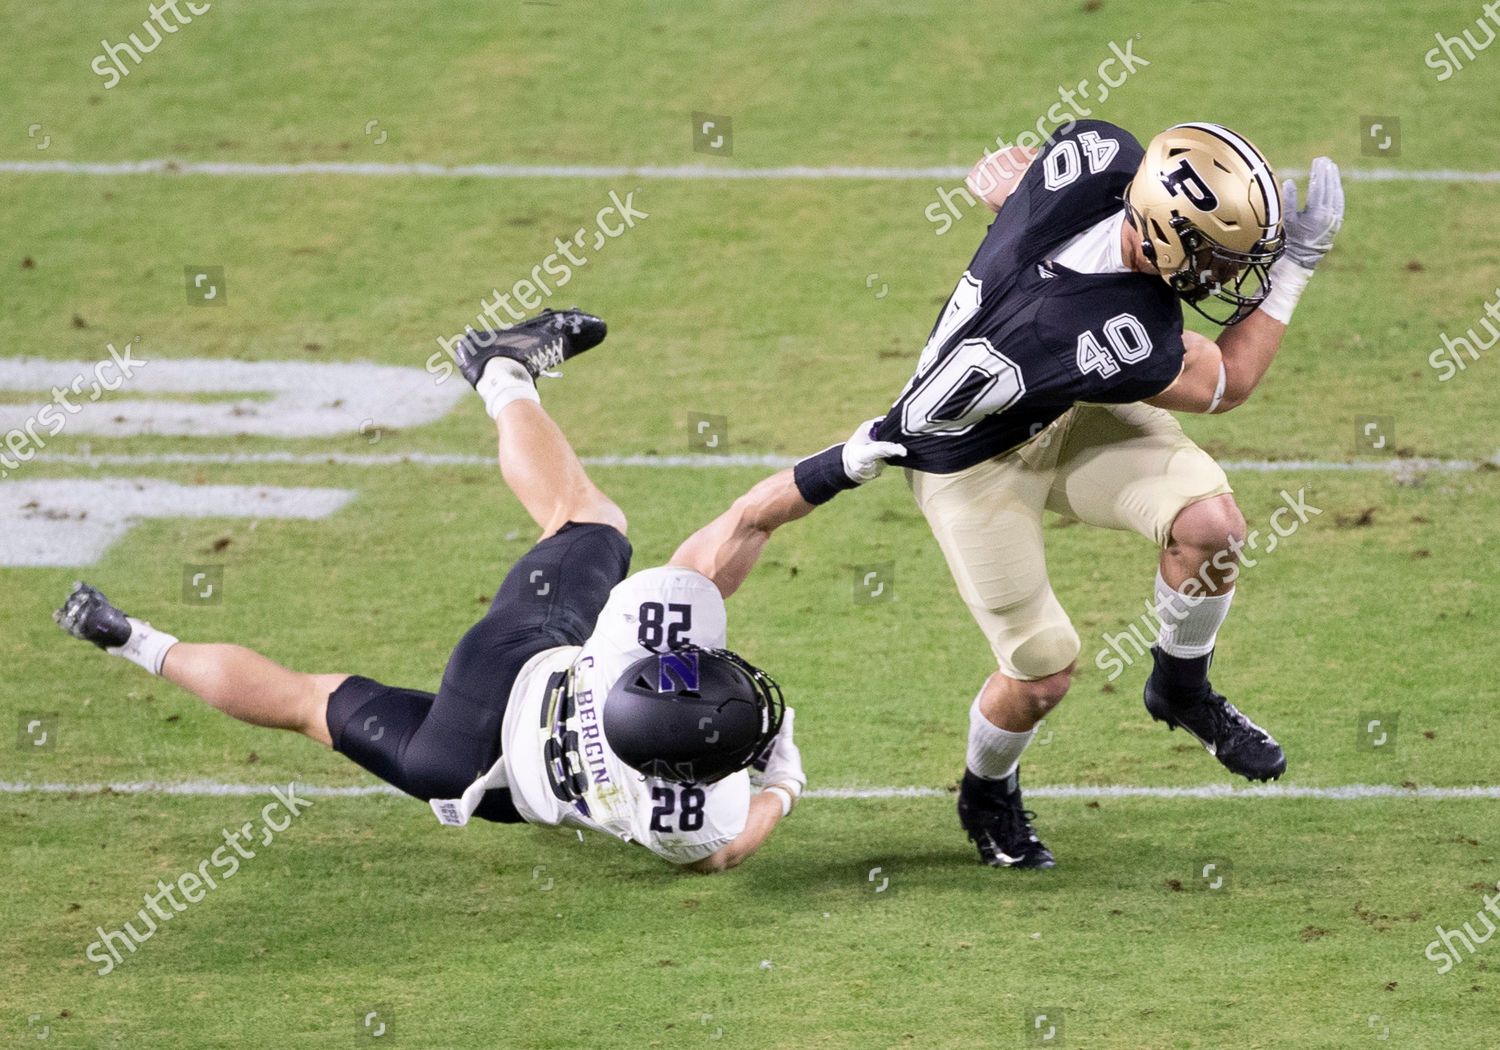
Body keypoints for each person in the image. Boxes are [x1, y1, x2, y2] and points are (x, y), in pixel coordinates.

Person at [731, 120, 1345, 868]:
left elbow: (1004, 170)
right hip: (968, 461)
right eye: (1218, 254)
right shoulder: (1121, 331)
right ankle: (985, 790)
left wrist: (1010, 202)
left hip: (1054, 401)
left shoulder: (1102, 156)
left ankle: (1182, 689)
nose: (1228, 273)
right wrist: (1297, 268)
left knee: (1212, 527)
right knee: (1043, 671)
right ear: (1162, 235)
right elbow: (1229, 382)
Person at [55, 308, 806, 873]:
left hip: (505, 672)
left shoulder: (633, 662)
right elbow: (718, 855)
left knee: (586, 520)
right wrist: (782, 789)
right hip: (452, 768)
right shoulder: (680, 818)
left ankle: (502, 371)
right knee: (304, 706)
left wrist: (779, 781)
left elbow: (720, 546)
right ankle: (129, 637)